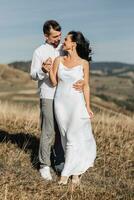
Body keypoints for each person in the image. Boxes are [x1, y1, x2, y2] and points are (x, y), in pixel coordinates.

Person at [30, 20, 84, 181]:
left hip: (65, 96)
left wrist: (81, 80)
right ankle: (44, 165)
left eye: (60, 35)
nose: (58, 39)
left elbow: (76, 64)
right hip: (47, 95)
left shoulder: (64, 48)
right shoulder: (39, 52)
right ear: (46, 35)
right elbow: (32, 75)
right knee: (48, 131)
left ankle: (59, 162)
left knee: (62, 131)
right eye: (54, 36)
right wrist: (42, 70)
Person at [44, 31, 96, 185]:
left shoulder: (84, 63)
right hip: (60, 103)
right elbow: (54, 82)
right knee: (66, 136)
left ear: (74, 43)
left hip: (77, 103)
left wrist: (88, 106)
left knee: (73, 136)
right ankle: (76, 172)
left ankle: (66, 173)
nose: (63, 42)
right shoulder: (58, 60)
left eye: (66, 39)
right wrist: (48, 70)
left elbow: (86, 86)